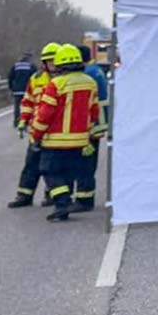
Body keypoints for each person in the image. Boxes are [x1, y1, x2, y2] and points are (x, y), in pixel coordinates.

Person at [29, 44, 103, 222]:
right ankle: (70, 202)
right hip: (81, 140)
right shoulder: (89, 82)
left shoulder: (57, 84)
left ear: (59, 64)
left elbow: (45, 114)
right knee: (72, 172)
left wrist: (35, 136)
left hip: (55, 140)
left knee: (50, 171)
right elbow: (94, 111)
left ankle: (62, 204)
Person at [7, 42, 59, 208]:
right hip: (37, 130)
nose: (53, 65)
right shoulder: (36, 79)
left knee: (52, 167)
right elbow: (28, 101)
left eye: (55, 61)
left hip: (55, 132)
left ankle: (51, 195)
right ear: (44, 63)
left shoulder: (63, 80)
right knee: (31, 165)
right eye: (50, 62)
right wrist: (23, 120)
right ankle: (24, 196)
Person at [71, 45, 109, 212]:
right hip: (98, 123)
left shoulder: (88, 74)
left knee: (84, 163)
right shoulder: (96, 70)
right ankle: (84, 197)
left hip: (91, 125)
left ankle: (84, 199)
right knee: (88, 161)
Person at [7, 53, 36, 128]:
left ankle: (16, 121)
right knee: (28, 105)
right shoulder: (31, 66)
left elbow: (10, 77)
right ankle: (26, 121)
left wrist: (11, 88)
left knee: (17, 106)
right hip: (27, 90)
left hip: (17, 90)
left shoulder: (15, 66)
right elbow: (35, 77)